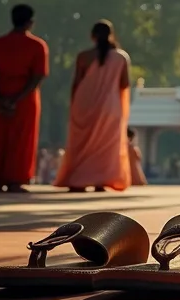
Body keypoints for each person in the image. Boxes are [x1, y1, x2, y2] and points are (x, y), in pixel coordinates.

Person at [54, 20, 132, 193]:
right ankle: (100, 180)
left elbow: (77, 83)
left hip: (84, 104)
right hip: (109, 106)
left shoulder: (84, 56)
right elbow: (124, 84)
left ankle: (77, 181)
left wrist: (73, 104)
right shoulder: (121, 57)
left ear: (92, 36)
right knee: (105, 145)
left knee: (81, 143)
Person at [0, 4, 49, 192]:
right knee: (21, 139)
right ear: (30, 22)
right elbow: (37, 77)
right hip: (25, 98)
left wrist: (1, 98)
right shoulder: (37, 45)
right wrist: (17, 99)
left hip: (1, 93)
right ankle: (15, 180)